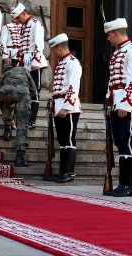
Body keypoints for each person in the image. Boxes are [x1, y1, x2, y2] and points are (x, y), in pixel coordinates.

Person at [102, 18, 132, 197]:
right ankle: (124, 184)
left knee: (127, 141)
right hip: (116, 102)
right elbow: (113, 81)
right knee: (121, 142)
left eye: (109, 35)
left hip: (128, 104)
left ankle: (128, 185)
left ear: (116, 33)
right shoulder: (117, 53)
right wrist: (109, 101)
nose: (107, 39)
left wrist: (125, 104)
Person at [47, 33, 82, 183]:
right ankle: (63, 172)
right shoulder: (62, 62)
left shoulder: (72, 63)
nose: (54, 53)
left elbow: (73, 87)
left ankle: (68, 173)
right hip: (59, 105)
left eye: (55, 49)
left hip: (69, 108)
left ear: (59, 48)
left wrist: (66, 107)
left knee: (68, 139)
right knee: (62, 140)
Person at [8, 3, 48, 129]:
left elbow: (38, 43)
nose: (18, 21)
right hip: (26, 61)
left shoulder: (35, 23)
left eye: (19, 18)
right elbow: (24, 46)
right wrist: (18, 58)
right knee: (24, 91)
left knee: (35, 90)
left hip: (35, 61)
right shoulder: (24, 26)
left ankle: (32, 120)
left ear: (24, 13)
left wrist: (36, 60)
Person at [0, 58, 37, 166]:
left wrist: (8, 115)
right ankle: (20, 157)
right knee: (22, 125)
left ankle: (7, 129)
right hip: (22, 93)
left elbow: (0, 93)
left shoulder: (4, 74)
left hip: (6, 92)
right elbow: (33, 89)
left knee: (5, 103)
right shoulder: (24, 70)